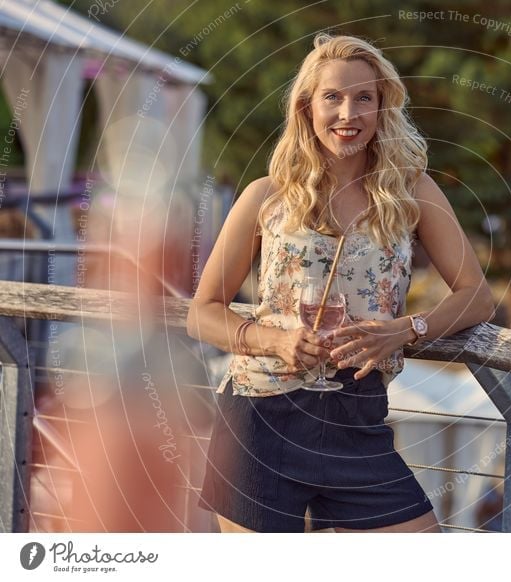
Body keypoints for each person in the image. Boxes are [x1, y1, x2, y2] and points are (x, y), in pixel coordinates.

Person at [187, 33, 494, 533]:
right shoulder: (265, 196)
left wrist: (406, 328)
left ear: (381, 108)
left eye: (363, 98)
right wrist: (277, 341)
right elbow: (203, 311)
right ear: (307, 107)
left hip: (359, 414)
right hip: (260, 417)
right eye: (332, 97)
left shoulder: (412, 190)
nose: (347, 114)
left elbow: (477, 296)